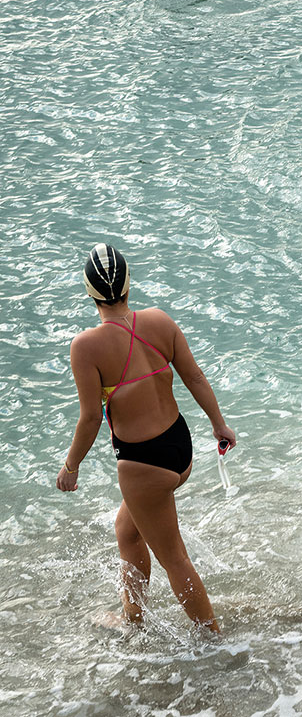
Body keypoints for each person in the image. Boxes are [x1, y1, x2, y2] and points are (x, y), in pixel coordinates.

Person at [56, 244, 236, 631]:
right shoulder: (159, 320)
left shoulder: (85, 346)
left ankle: (215, 639)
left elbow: (89, 419)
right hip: (179, 447)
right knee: (127, 529)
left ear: (89, 292)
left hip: (143, 464)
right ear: (128, 284)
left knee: (174, 558)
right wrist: (219, 426)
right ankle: (132, 618)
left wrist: (71, 466)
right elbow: (195, 377)